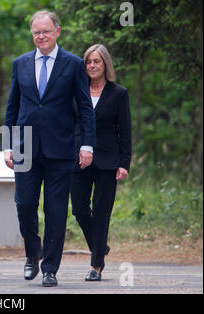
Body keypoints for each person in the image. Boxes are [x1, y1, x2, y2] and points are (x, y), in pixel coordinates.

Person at [3, 10, 96, 287]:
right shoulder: (20, 63)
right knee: (25, 205)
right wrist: (8, 145)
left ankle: (50, 268)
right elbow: (12, 108)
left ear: (57, 31)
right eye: (36, 32)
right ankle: (33, 254)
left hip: (61, 149)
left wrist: (87, 145)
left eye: (45, 31)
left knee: (56, 210)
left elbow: (85, 109)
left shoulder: (73, 64)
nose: (40, 36)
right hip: (25, 148)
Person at [70, 44, 132, 281]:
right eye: (88, 61)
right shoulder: (77, 91)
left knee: (102, 211)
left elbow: (125, 132)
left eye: (97, 61)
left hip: (108, 160)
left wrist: (124, 163)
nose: (92, 66)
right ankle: (100, 246)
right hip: (79, 159)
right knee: (79, 209)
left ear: (105, 64)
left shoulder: (118, 93)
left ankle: (96, 264)